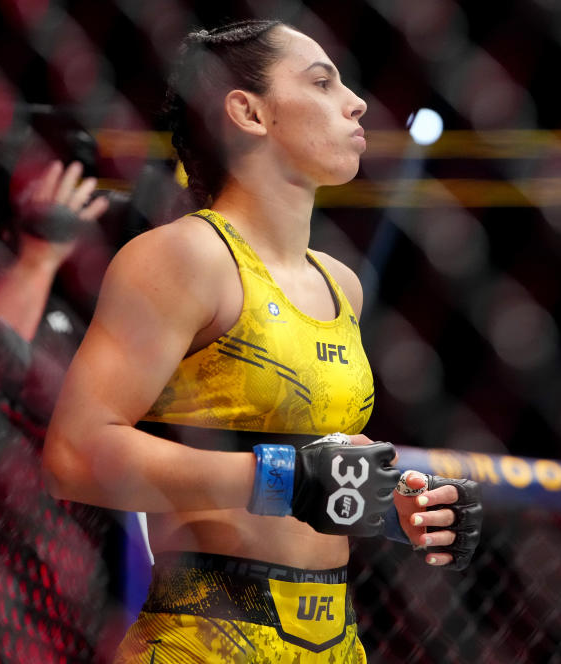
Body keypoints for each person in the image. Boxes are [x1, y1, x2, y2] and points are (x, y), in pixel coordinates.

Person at [42, 19, 482, 663]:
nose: (355, 101)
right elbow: (74, 456)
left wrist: (398, 509)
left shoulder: (341, 284)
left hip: (335, 637)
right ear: (247, 111)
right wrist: (277, 479)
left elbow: (318, 469)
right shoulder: (183, 256)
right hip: (205, 633)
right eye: (322, 82)